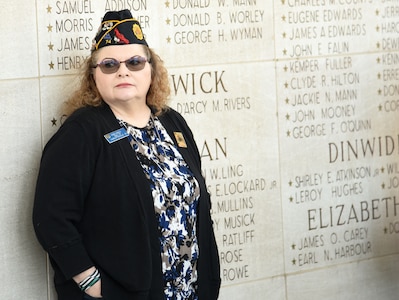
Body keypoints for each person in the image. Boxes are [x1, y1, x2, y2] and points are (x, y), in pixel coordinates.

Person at [33, 9, 221, 300]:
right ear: (94, 76)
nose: (123, 71)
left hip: (189, 289)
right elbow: (51, 216)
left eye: (134, 62)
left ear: (151, 70)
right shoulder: (83, 132)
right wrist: (92, 283)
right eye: (109, 65)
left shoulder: (172, 123)